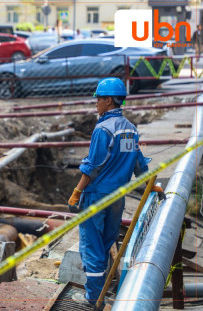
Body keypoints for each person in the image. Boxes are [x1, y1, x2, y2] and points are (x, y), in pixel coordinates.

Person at [67, 78, 163, 307]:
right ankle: (103, 292)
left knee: (92, 247)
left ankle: (93, 299)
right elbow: (138, 163)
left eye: (98, 99)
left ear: (109, 100)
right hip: (117, 198)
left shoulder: (103, 129)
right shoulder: (129, 130)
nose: (96, 103)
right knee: (106, 242)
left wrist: (77, 191)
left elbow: (94, 165)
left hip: (97, 196)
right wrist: (150, 183)